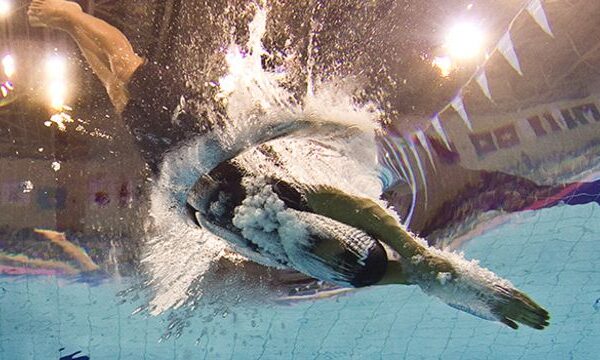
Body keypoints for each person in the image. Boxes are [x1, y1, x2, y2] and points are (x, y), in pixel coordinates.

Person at [28, 1, 549, 330]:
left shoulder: (339, 268)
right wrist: (484, 291)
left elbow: (415, 284)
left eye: (316, 250)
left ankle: (77, 26)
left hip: (181, 175)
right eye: (324, 237)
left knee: (120, 94)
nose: (314, 241)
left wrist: (482, 306)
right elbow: (425, 268)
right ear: (333, 229)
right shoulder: (314, 203)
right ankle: (72, 15)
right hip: (202, 143)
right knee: (129, 72)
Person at [28, 0, 203, 173]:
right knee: (125, 65)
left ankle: (69, 26)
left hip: (175, 166)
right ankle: (72, 14)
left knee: (116, 92)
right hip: (200, 130)